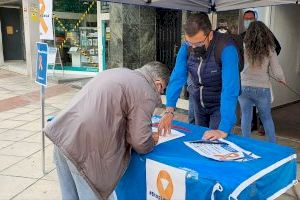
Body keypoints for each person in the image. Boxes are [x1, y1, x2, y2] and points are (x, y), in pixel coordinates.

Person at [44, 61, 170, 200]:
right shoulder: (145, 90)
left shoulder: (119, 72)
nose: (159, 94)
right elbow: (140, 142)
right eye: (162, 90)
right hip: (84, 150)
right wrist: (151, 139)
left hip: (62, 134)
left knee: (69, 196)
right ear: (158, 84)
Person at [158, 13, 240, 140]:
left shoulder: (226, 48)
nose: (194, 48)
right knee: (198, 139)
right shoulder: (187, 47)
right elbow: (177, 77)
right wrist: (169, 110)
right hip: (198, 103)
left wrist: (223, 129)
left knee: (215, 141)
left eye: (199, 43)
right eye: (190, 43)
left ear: (210, 35)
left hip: (219, 106)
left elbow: (230, 89)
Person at [239, 21, 285, 143]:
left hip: (243, 86)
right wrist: (282, 79)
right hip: (262, 88)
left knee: (246, 116)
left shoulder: (243, 47)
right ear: (265, 33)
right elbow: (277, 70)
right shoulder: (270, 49)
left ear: (248, 33)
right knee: (266, 118)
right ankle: (272, 145)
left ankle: (246, 143)